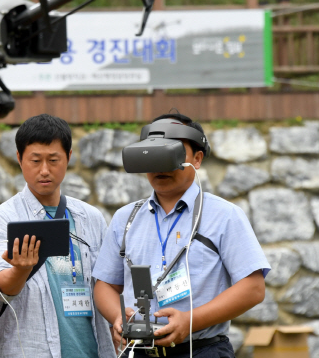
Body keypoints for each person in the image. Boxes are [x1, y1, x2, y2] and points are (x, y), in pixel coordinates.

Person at [93, 112, 270, 357]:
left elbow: (253, 288)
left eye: (171, 153)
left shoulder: (225, 215)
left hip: (201, 350)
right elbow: (104, 285)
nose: (160, 166)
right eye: (153, 154)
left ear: (197, 159)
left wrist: (190, 320)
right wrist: (117, 317)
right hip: (139, 350)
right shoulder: (126, 218)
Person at [0, 113, 116, 358]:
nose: (44, 170)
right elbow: (0, 289)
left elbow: (108, 283)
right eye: (35, 160)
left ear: (69, 157)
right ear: (19, 159)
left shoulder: (91, 217)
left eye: (53, 160)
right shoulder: (4, 217)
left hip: (92, 351)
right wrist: (21, 269)